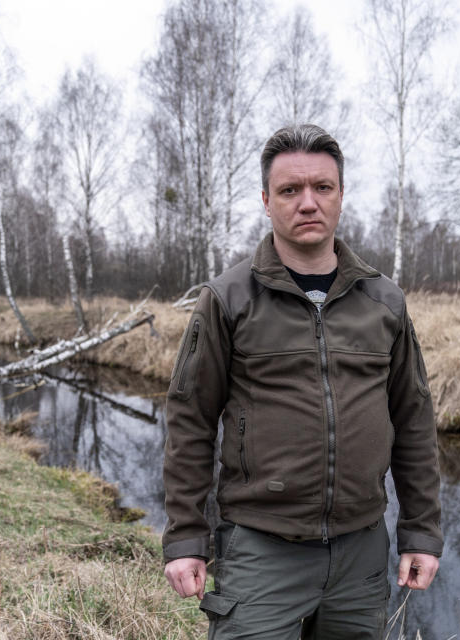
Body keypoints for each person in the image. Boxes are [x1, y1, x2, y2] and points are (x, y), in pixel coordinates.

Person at [161, 124, 443, 639]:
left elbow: (414, 420)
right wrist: (186, 537)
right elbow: (189, 420)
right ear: (267, 201)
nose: (307, 202)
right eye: (290, 190)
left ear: (340, 196)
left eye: (323, 188)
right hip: (260, 550)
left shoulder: (384, 301)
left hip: (361, 553)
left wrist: (420, 531)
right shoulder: (228, 298)